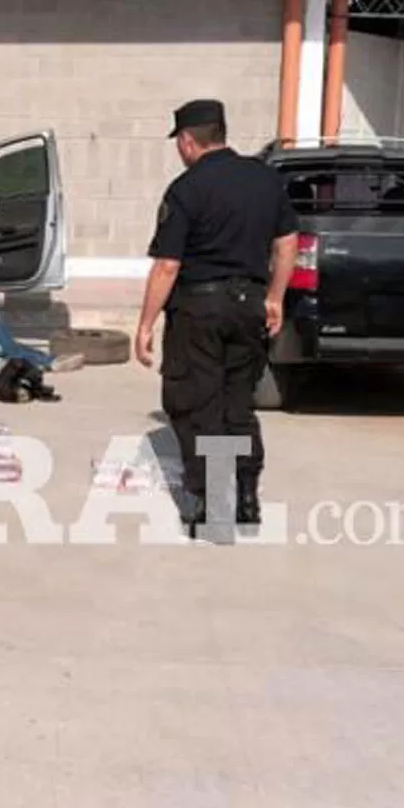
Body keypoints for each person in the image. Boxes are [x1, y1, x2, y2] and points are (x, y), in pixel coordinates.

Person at [133, 99, 299, 530]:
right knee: (238, 404)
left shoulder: (186, 189)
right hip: (250, 307)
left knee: (198, 404)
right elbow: (286, 245)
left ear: (188, 141)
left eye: (179, 143)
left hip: (198, 311)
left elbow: (167, 265)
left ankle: (214, 506)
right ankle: (245, 498)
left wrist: (146, 323)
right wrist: (276, 297)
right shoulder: (266, 180)